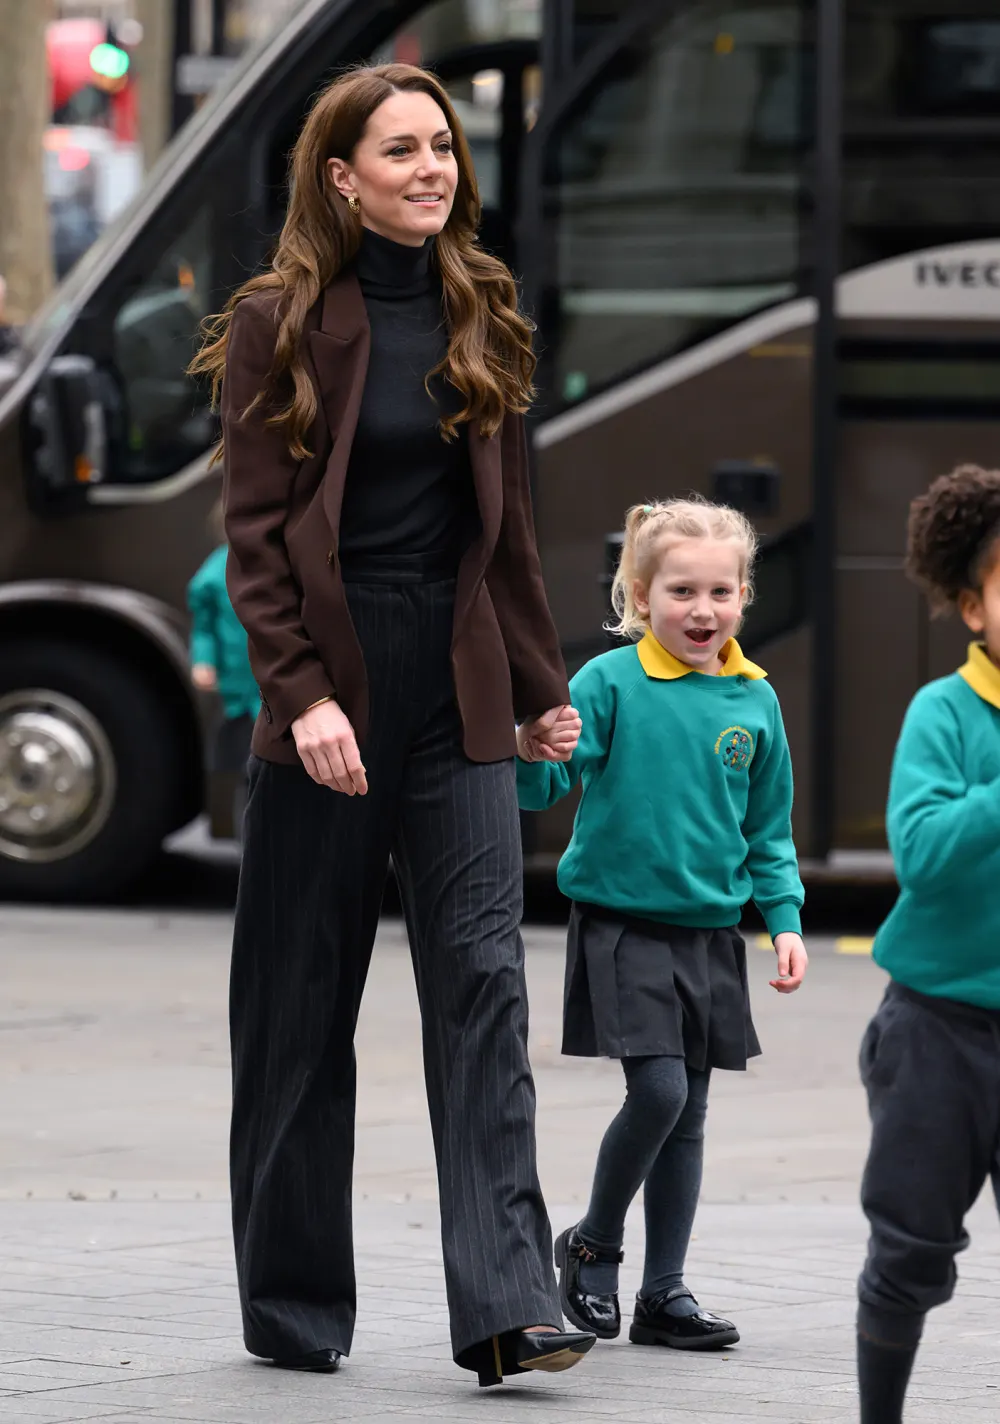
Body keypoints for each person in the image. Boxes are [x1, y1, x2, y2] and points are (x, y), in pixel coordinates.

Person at [187, 64, 595, 1387]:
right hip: (333, 682)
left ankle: (510, 1305)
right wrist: (298, 697)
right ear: (340, 175)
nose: (435, 168)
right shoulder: (279, 321)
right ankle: (295, 1304)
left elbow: (508, 528)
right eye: (404, 150)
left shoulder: (483, 305)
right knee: (299, 1006)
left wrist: (540, 686)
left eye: (444, 147)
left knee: (483, 987)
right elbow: (253, 538)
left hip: (456, 685)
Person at [517, 498, 808, 1350]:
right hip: (622, 926)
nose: (703, 609)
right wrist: (533, 748)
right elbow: (542, 791)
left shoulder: (756, 701)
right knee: (661, 1090)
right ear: (640, 597)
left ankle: (664, 1295)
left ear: (745, 597)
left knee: (691, 1115)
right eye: (682, 590)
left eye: (722, 591)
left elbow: (769, 828)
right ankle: (594, 1243)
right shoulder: (606, 683)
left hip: (713, 936)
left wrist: (783, 921)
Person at [855, 465, 1000, 1424]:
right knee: (910, 1250)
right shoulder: (943, 715)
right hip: (938, 1031)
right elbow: (926, 852)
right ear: (970, 603)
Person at [186, 498, 261, 838]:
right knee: (233, 762)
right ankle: (232, 831)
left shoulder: (272, 568)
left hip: (269, 685)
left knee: (264, 763)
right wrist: (203, 661)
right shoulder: (213, 576)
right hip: (235, 687)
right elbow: (203, 627)